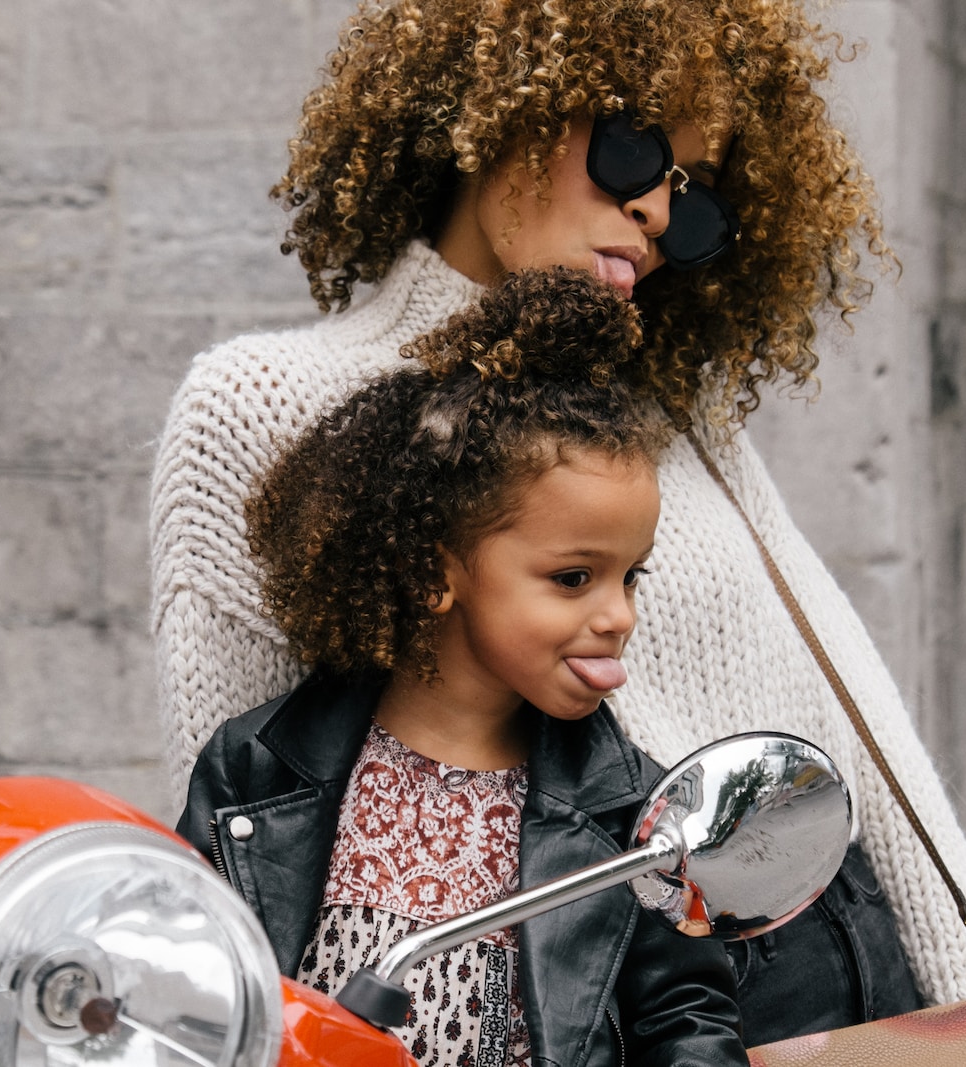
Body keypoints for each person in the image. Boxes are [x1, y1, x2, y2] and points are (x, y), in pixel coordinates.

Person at [150, 0, 966, 1045]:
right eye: (633, 150)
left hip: (824, 956)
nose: (659, 211)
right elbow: (253, 831)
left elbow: (855, 714)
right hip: (579, 996)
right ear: (509, 102)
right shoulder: (263, 404)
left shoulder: (673, 419)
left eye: (695, 200)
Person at [178, 269, 748, 1067]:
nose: (619, 614)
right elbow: (185, 994)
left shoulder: (632, 817)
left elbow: (686, 1020)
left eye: (632, 575)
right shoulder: (259, 770)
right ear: (431, 572)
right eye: (574, 578)